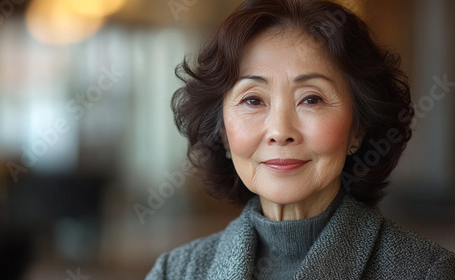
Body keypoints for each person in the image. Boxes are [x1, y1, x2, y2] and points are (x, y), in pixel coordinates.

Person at [146, 0, 455, 279]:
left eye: (311, 99)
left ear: (358, 129)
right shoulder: (175, 272)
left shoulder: (427, 271)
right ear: (223, 132)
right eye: (253, 100)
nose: (281, 131)